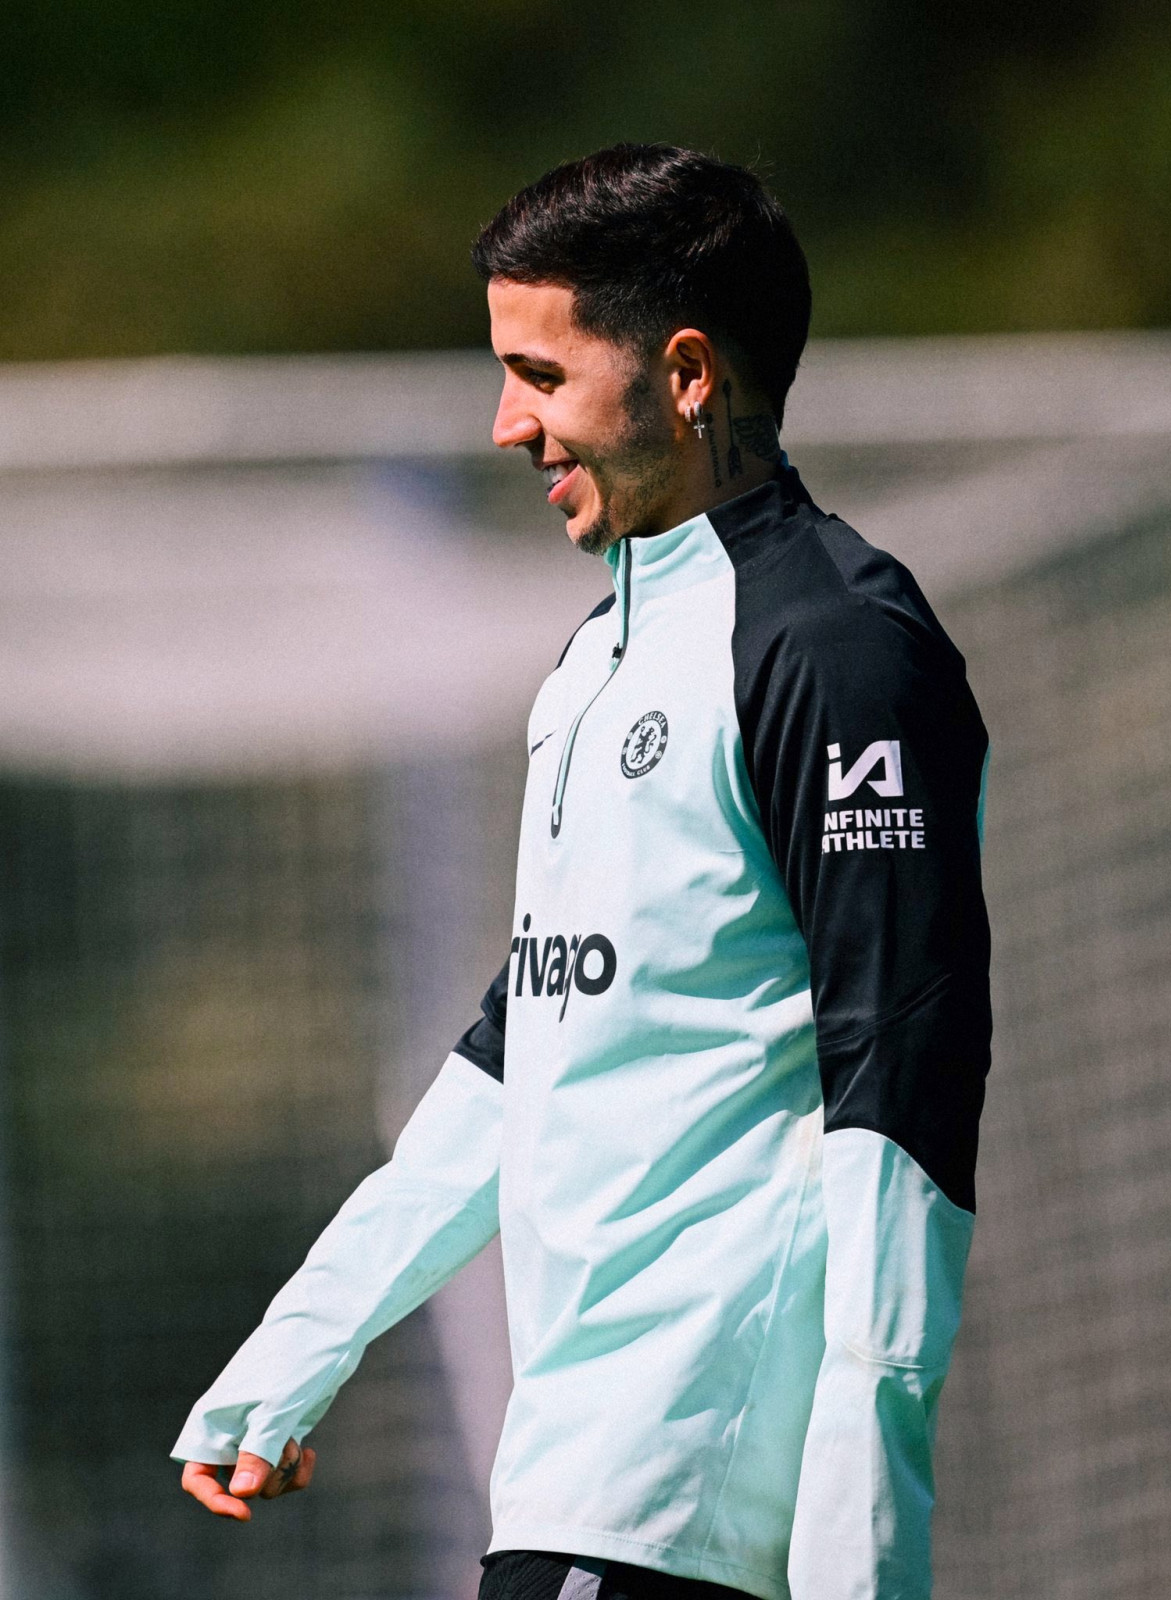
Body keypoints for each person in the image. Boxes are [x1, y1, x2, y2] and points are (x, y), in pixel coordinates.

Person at [174, 143, 991, 1600]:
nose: (505, 425)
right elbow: (525, 1042)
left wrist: (864, 1544)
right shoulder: (596, 661)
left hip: (696, 1490)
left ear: (686, 373)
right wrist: (303, 1344)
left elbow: (903, 1077)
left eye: (539, 375)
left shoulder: (835, 644)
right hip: (567, 1478)